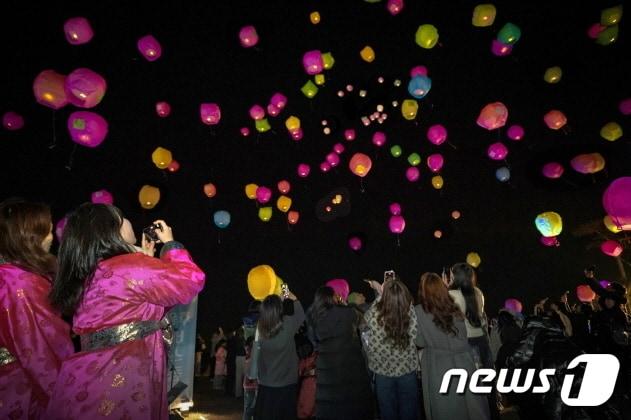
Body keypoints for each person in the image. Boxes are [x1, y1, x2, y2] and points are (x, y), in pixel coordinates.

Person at [46, 203, 205, 419]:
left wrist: (148, 260)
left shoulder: (93, 272)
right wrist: (170, 244)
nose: (129, 221)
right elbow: (190, 280)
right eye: (123, 217)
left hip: (89, 378)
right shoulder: (130, 266)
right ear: (111, 229)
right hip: (124, 379)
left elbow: (146, 309)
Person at [0, 199, 74, 419]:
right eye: (48, 231)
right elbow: (41, 350)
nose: (52, 238)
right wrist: (66, 398)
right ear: (31, 238)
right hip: (21, 389)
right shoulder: (20, 283)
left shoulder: (9, 274)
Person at [416, 272, 490, 420]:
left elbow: (420, 341)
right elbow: (462, 334)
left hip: (439, 365)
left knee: (447, 409)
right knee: (472, 409)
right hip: (464, 361)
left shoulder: (419, 311)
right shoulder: (454, 307)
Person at [307, 286, 373, 420]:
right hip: (350, 373)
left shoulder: (314, 320)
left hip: (327, 377)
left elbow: (314, 342)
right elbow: (362, 318)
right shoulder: (347, 314)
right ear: (333, 298)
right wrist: (344, 304)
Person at [363, 276, 418, 420]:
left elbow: (365, 321)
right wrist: (386, 291)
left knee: (387, 413)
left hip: (383, 373)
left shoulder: (375, 314)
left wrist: (380, 292)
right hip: (407, 371)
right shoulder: (410, 311)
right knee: (409, 413)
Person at [254, 289, 305, 420]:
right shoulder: (287, 324)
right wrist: (288, 295)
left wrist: (276, 303)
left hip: (266, 385)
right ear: (279, 310)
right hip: (286, 386)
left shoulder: (260, 327)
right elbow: (300, 313)